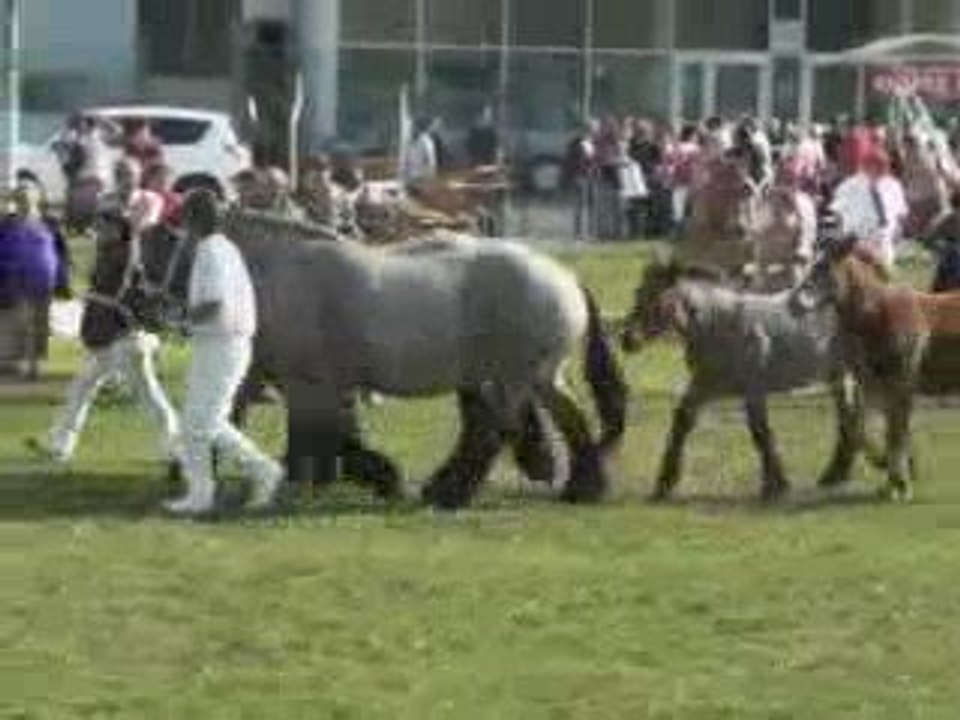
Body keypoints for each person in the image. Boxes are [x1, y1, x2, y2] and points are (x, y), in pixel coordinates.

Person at [164, 190, 282, 515]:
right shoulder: (224, 247)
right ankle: (201, 494)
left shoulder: (210, 251)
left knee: (204, 423)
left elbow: (215, 303)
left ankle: (264, 471)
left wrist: (182, 322)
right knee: (194, 423)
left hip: (222, 344)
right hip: (220, 343)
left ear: (192, 220)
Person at [0, 178, 64, 378]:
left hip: (42, 280)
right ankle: (12, 361)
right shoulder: (6, 223)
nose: (24, 199)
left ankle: (34, 365)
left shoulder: (49, 222)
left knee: (38, 324)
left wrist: (61, 279)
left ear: (36, 198)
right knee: (15, 321)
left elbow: (59, 252)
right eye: (20, 196)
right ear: (15, 199)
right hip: (14, 280)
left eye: (28, 195)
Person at [830, 148, 908, 271]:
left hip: (883, 243)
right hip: (858, 243)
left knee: (883, 282)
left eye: (885, 166)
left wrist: (898, 231)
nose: (882, 170)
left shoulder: (894, 185)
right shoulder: (848, 185)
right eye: (877, 166)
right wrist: (843, 234)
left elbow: (901, 214)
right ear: (865, 165)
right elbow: (838, 213)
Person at [399, 117, 439, 192]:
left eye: (413, 128)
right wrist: (402, 178)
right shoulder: (407, 142)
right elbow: (404, 161)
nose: (411, 130)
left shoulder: (426, 142)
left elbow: (431, 163)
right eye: (410, 128)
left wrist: (429, 182)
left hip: (422, 180)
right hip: (409, 180)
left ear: (418, 129)